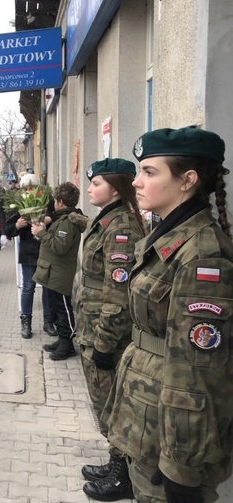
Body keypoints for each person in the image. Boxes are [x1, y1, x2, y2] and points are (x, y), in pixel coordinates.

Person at [103, 127, 233, 503]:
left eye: (149, 172)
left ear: (187, 181)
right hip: (148, 422)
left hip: (172, 437)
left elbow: (197, 374)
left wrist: (182, 467)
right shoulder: (165, 237)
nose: (136, 181)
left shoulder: (203, 257)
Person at [74, 159, 146, 502]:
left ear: (115, 188)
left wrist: (103, 342)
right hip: (91, 329)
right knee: (104, 403)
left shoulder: (122, 227)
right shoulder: (106, 220)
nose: (89, 189)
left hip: (105, 335)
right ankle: (114, 461)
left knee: (112, 407)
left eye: (96, 183)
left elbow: (118, 293)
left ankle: (123, 475)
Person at [31, 182, 87, 360]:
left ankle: (67, 343)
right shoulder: (62, 219)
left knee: (64, 309)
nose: (53, 203)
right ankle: (62, 340)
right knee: (56, 307)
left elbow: (59, 246)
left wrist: (41, 233)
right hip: (53, 273)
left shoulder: (67, 222)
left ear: (60, 202)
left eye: (55, 200)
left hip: (60, 274)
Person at [4, 173, 54, 339]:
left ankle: (48, 321)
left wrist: (47, 219)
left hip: (46, 249)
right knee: (28, 287)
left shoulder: (47, 200)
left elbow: (56, 216)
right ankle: (26, 322)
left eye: (33, 188)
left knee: (47, 287)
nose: (30, 191)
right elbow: (8, 229)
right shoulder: (17, 204)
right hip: (28, 251)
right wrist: (17, 225)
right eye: (27, 188)